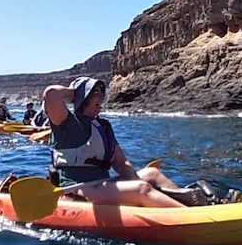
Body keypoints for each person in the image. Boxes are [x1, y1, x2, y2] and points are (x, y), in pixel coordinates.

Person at [41, 76, 207, 207]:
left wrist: (132, 179)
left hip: (101, 185)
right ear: (83, 97)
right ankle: (193, 218)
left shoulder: (103, 127)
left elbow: (121, 163)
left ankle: (191, 205)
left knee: (152, 174)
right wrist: (75, 91)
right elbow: (51, 94)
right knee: (141, 189)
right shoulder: (66, 124)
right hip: (77, 190)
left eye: (102, 92)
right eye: (95, 92)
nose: (101, 97)